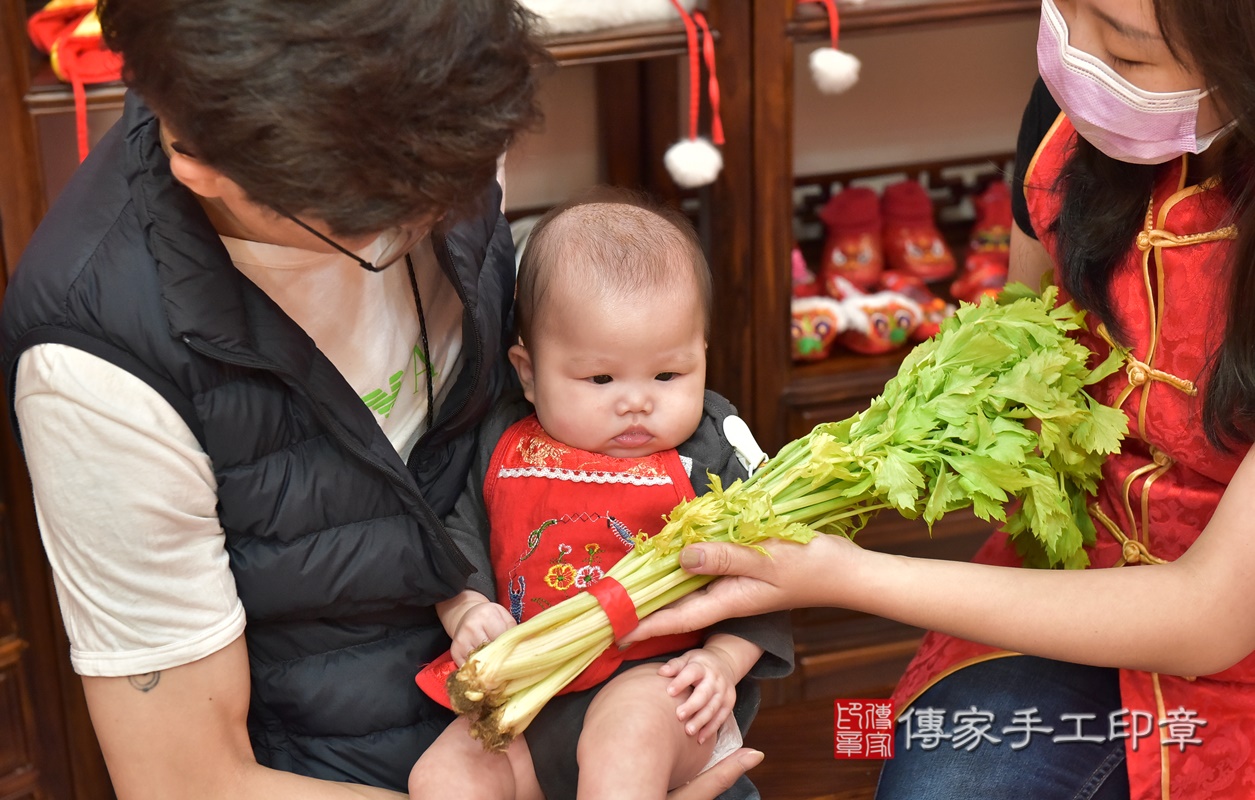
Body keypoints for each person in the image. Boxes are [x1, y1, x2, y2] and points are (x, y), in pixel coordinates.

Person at [0, 3, 757, 798]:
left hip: (590, 692)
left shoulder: (436, 107)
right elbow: (187, 780)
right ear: (198, 161)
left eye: (456, 179)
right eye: (377, 226)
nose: (433, 217)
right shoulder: (95, 365)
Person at [626, 0, 1255, 797]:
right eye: (1068, 16)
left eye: (1127, 59)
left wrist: (844, 575)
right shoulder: (1072, 124)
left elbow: (1210, 617)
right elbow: (1020, 346)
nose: (1080, 67)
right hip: (1070, 572)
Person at [408, 191, 793, 800]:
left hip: (655, 683)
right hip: (527, 688)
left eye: (668, 374)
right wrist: (465, 610)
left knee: (625, 742)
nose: (636, 401)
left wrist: (722, 661)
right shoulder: (502, 441)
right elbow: (457, 536)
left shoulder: (714, 452)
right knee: (440, 777)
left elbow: (769, 574)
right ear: (528, 373)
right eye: (601, 378)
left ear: (703, 358)